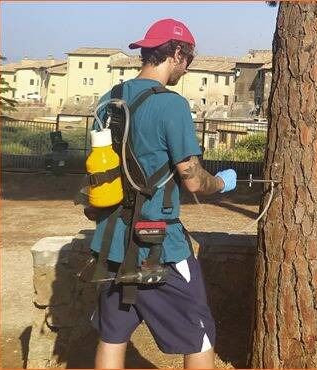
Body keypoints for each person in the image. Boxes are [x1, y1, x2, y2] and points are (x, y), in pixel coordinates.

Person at [85, 18, 235, 369]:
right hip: (160, 247)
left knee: (112, 336)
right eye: (190, 60)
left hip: (111, 244)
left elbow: (97, 171)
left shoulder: (110, 100)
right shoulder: (172, 105)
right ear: (178, 53)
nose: (187, 68)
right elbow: (193, 179)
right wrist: (223, 183)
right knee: (199, 336)